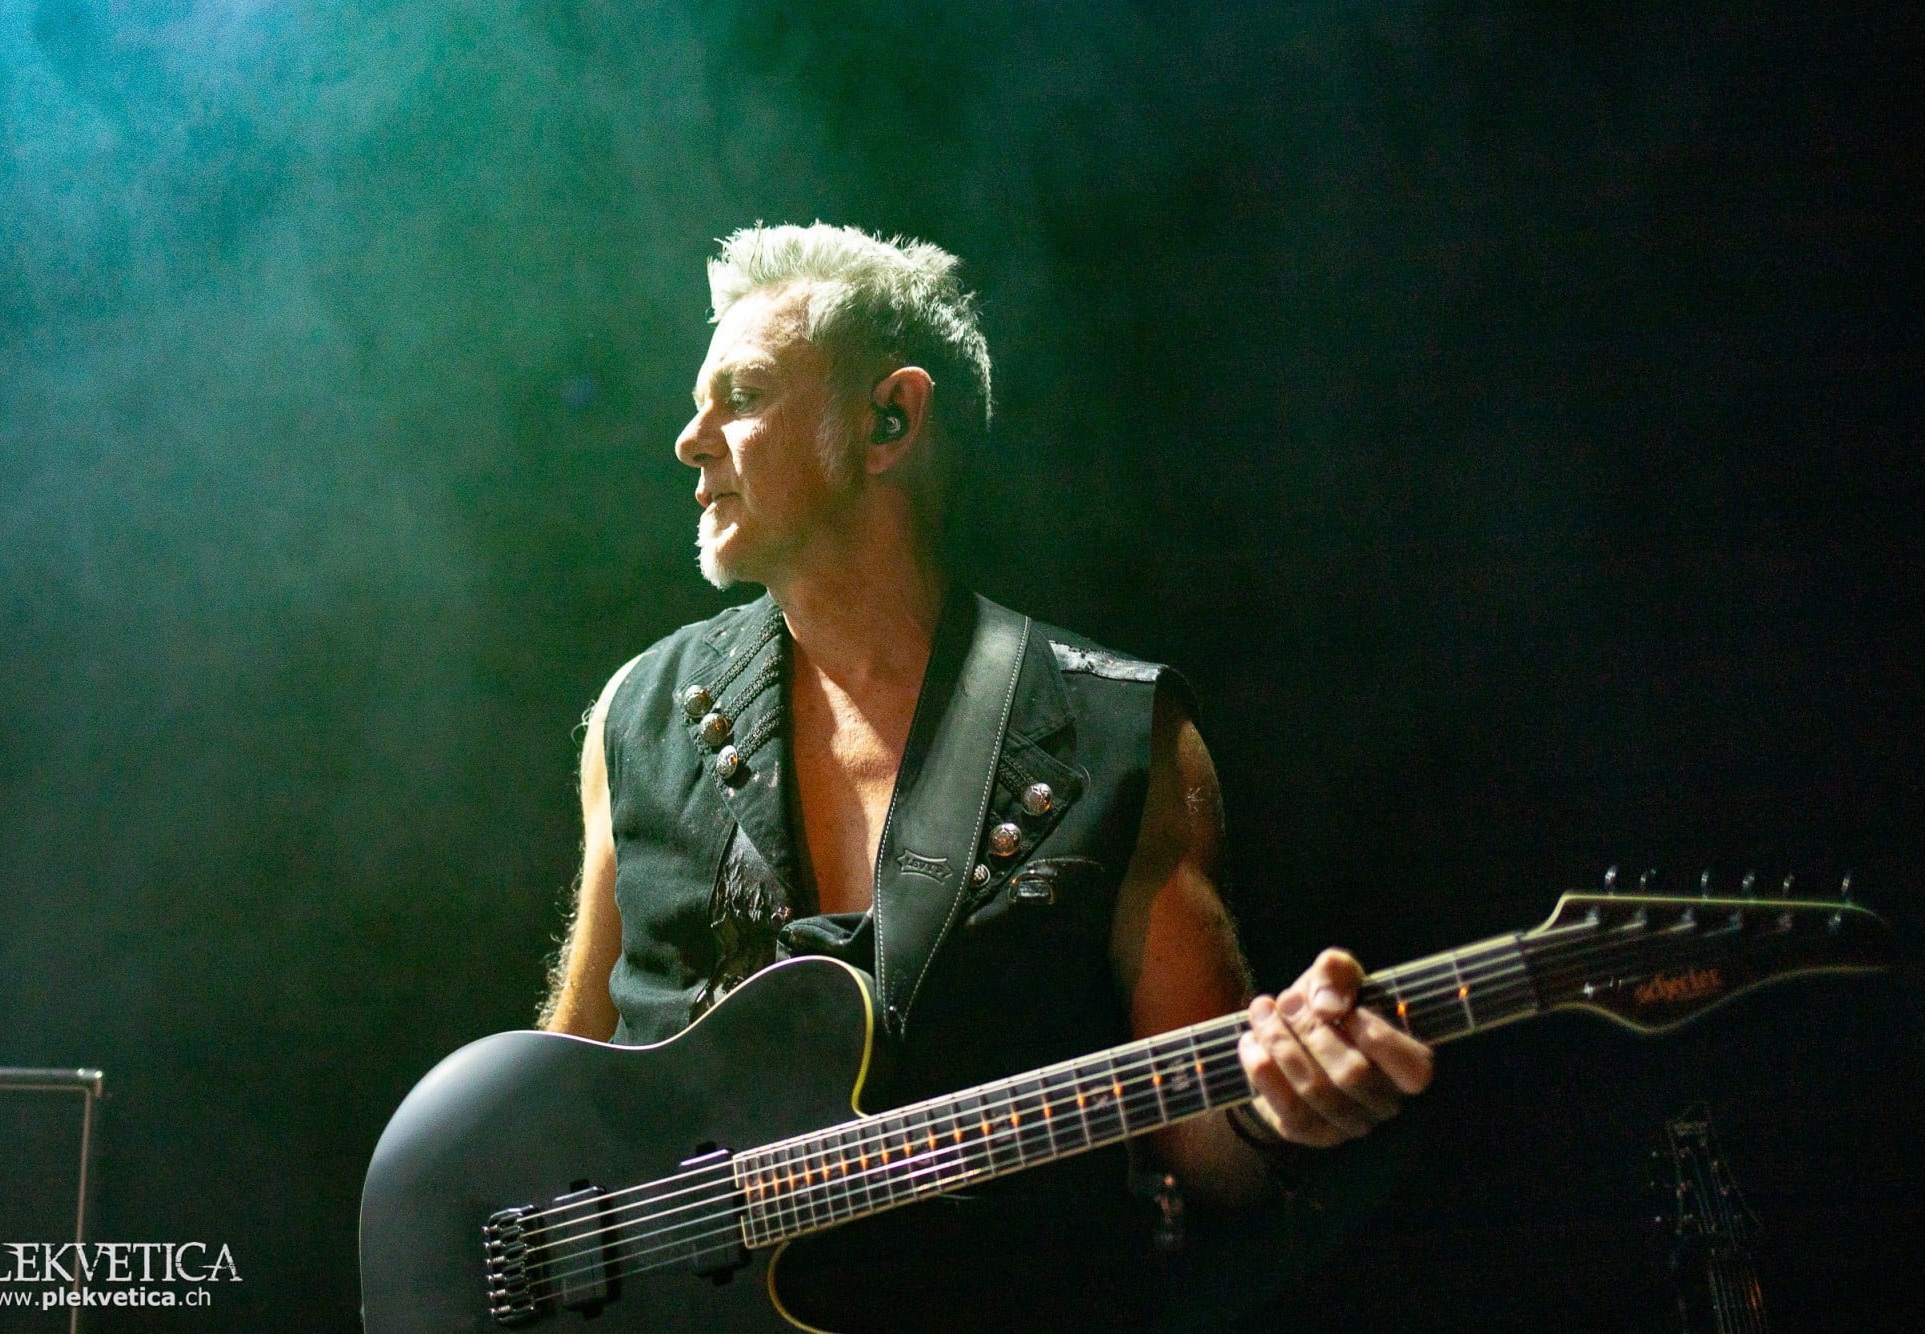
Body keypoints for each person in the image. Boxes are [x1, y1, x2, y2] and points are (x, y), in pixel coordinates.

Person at [539, 222, 1433, 1328]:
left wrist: (1279, 1106)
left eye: (744, 394)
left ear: (889, 420)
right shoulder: (636, 710)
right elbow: (558, 1082)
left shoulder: (1119, 733)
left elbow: (1202, 1141)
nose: (689, 441)